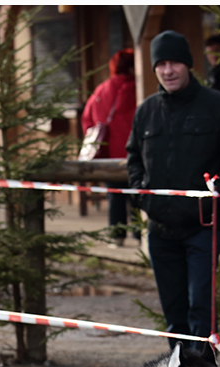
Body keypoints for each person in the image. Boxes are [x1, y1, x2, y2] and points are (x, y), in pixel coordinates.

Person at [127, 30, 220, 351]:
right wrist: (141, 193)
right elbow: (133, 159)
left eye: (175, 63)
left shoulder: (219, 106)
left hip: (204, 228)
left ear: (188, 65)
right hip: (160, 228)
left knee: (202, 311)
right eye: (162, 64)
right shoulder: (146, 111)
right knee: (174, 313)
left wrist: (217, 193)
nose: (168, 70)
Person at [81, 48, 137, 246]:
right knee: (137, 196)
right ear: (132, 66)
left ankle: (117, 237)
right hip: (134, 154)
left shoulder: (101, 90)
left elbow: (87, 120)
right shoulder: (139, 88)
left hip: (108, 155)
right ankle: (139, 236)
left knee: (115, 197)